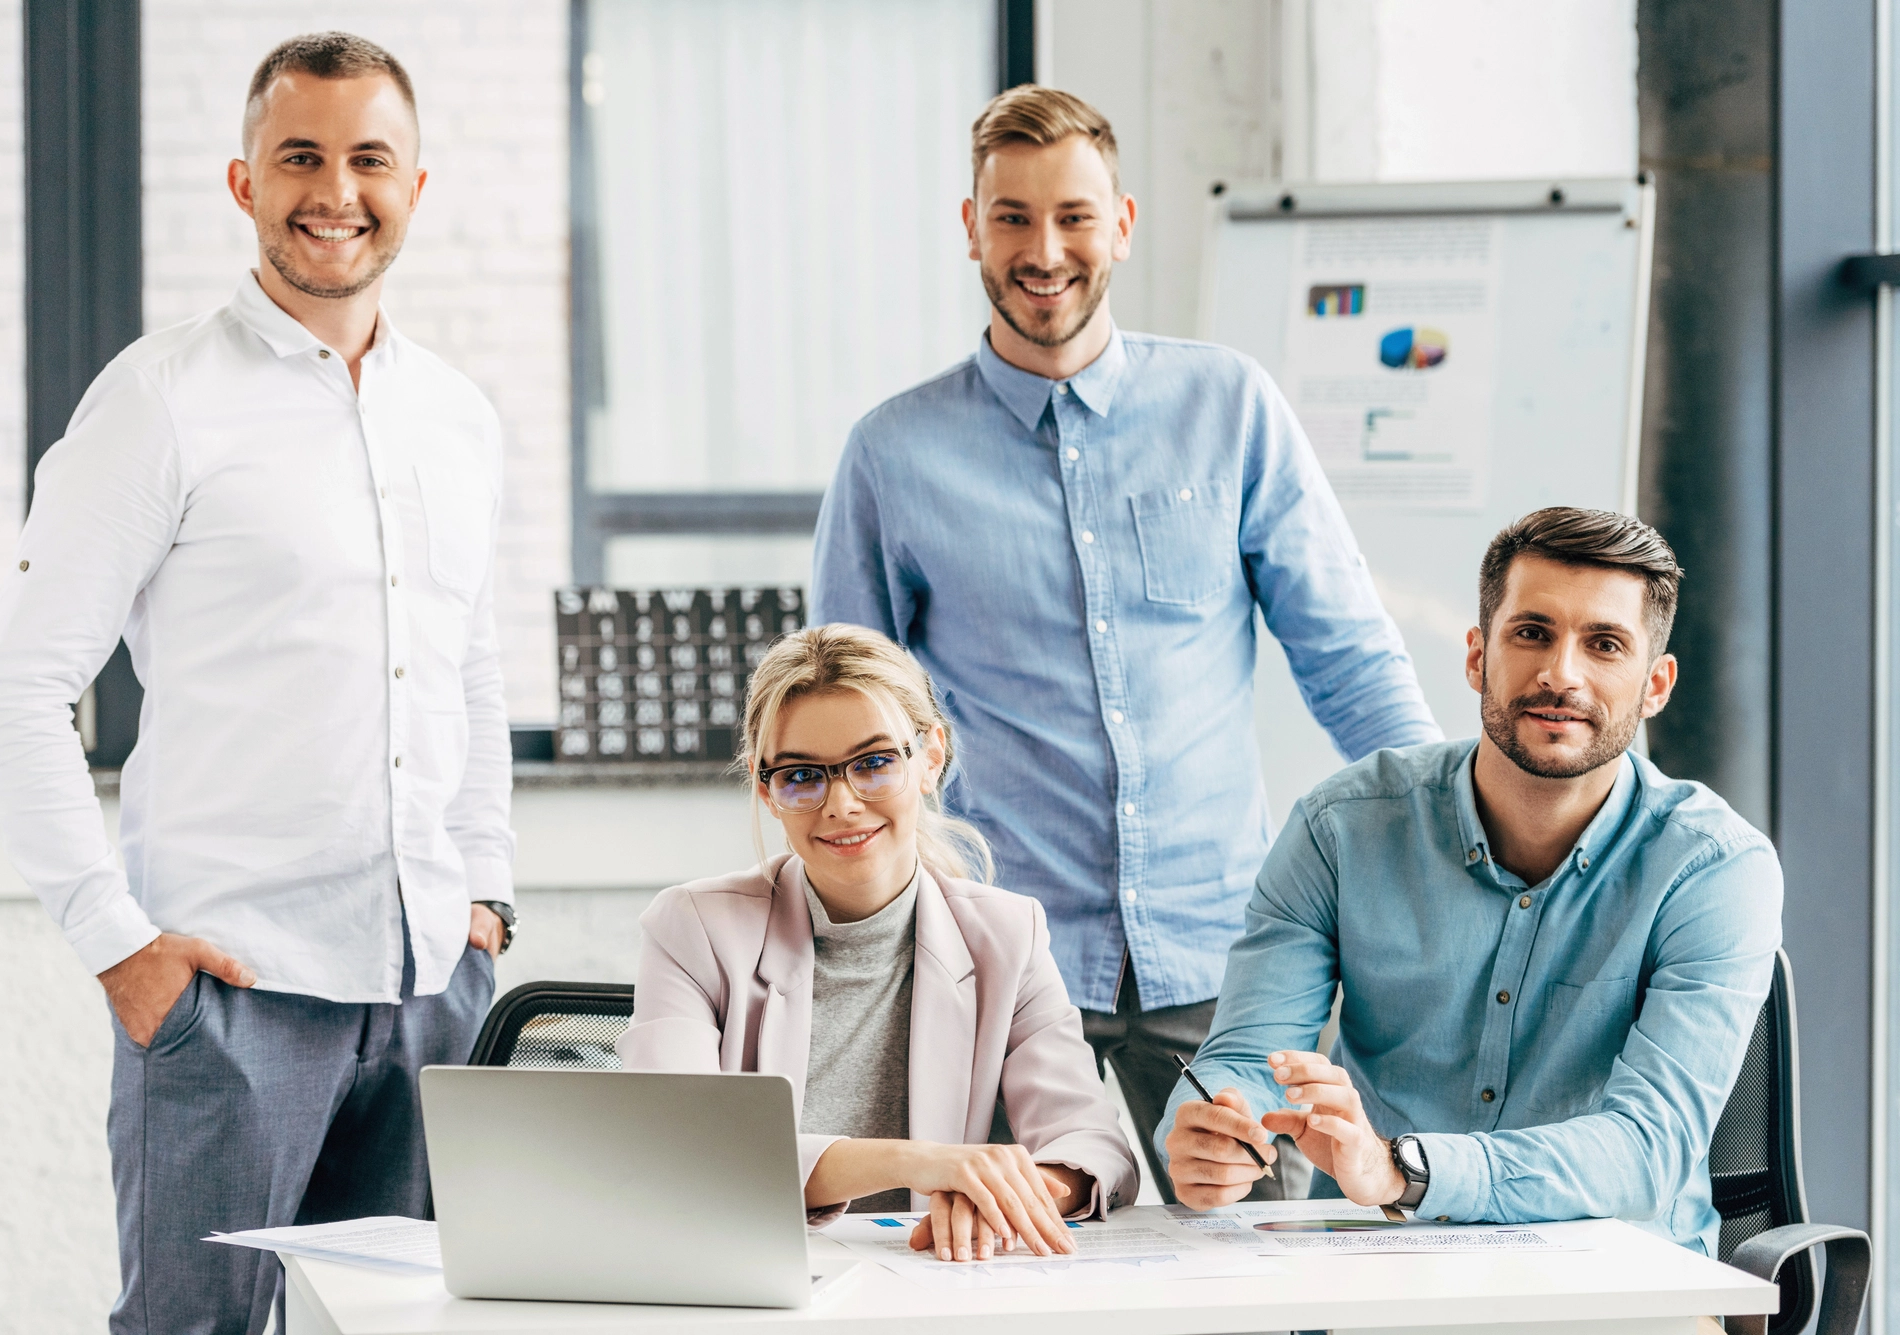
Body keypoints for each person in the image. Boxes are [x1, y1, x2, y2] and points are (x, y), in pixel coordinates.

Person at [0, 33, 517, 1334]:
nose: (336, 189)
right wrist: (122, 946)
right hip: (230, 999)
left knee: (400, 1326)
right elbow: (18, 687)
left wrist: (484, 892)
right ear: (243, 181)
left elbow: (471, 664)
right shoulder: (159, 400)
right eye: (300, 157)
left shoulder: (459, 416)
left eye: (369, 158)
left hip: (432, 983)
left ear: (417, 186)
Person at [809, 83, 1441, 1201]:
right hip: (993, 951)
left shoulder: (1228, 407)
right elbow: (839, 731)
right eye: (1010, 217)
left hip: (1221, 950)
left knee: (1257, 1264)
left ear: (1123, 224)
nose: (1042, 250)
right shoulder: (891, 455)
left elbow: (1345, 656)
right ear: (970, 228)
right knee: (983, 1257)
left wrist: (1453, 839)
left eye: (1072, 216)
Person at [1158, 508, 1783, 1255]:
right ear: (1476, 657)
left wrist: (1404, 1170)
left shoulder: (1713, 867)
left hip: (1617, 1281)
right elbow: (1248, 1058)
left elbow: (1647, 1148)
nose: (1562, 673)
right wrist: (1213, 1126)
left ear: (1655, 684)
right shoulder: (1341, 829)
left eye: (1605, 644)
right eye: (1532, 633)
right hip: (1377, 1266)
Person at [619, 624, 1138, 1262]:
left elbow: (1092, 1144)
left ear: (930, 757)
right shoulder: (693, 927)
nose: (841, 804)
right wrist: (922, 1165)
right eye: (802, 775)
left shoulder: (1008, 934)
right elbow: (674, 1144)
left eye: (873, 763)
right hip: (752, 1275)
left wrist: (1015, 1194)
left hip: (937, 1280)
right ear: (766, 789)